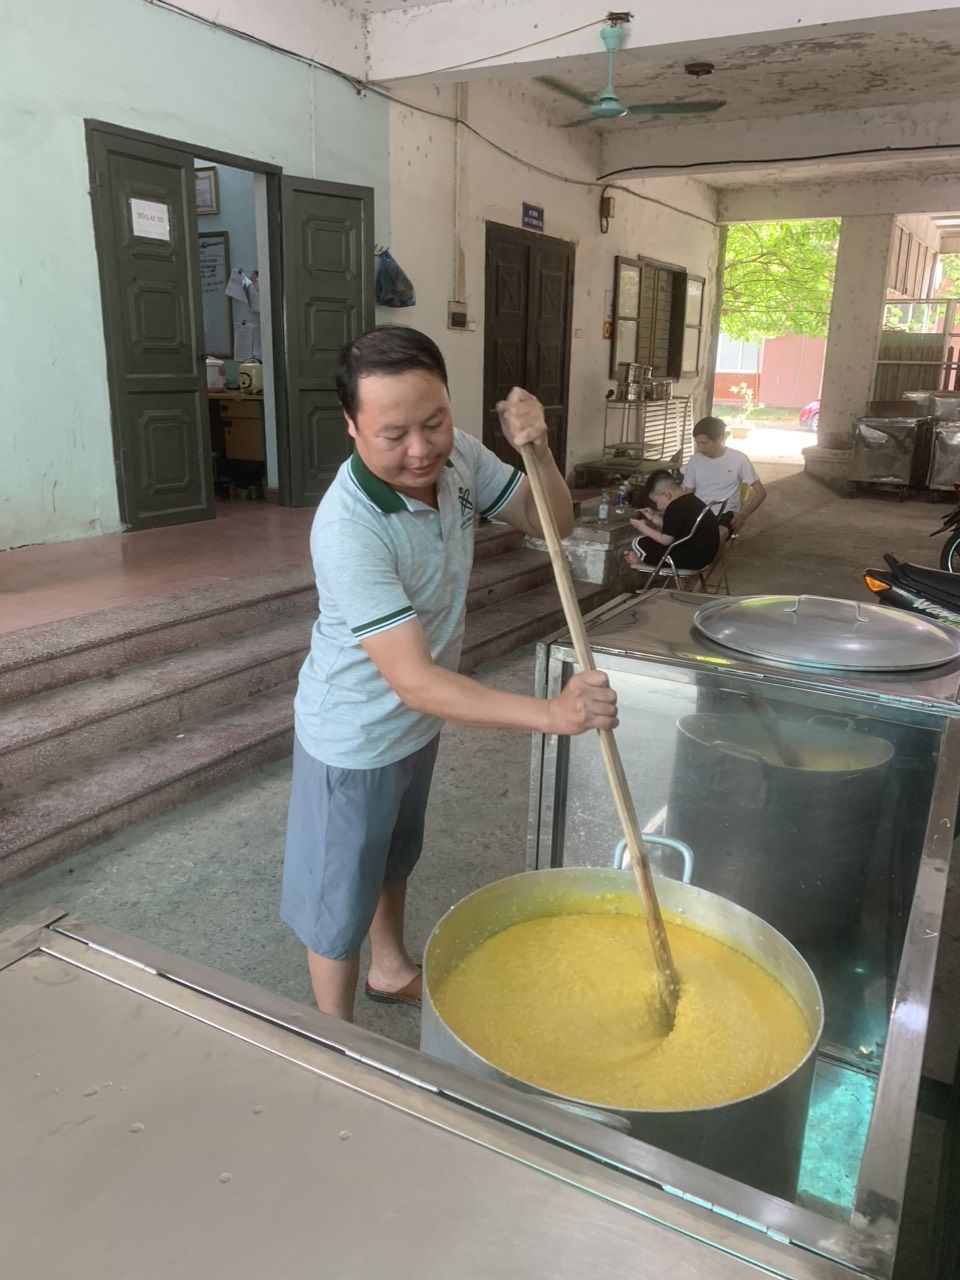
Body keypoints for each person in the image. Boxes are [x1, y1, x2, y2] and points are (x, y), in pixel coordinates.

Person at [281, 326, 618, 1022]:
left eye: (433, 422)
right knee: (335, 905)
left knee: (393, 856)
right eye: (394, 434)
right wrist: (550, 715)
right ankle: (334, 1045)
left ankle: (389, 967)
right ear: (351, 425)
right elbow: (414, 680)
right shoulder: (348, 529)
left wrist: (538, 452)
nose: (421, 450)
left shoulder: (458, 455)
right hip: (355, 735)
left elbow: (550, 522)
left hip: (417, 724)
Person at [682, 416, 766, 539]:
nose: (700, 448)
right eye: (697, 443)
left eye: (704, 443)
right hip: (700, 511)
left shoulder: (738, 459)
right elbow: (688, 494)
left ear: (720, 439)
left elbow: (761, 492)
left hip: (727, 512)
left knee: (719, 535)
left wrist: (743, 515)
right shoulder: (694, 461)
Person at [624, 470, 719, 574]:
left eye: (656, 501)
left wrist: (642, 527)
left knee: (639, 542)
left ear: (666, 494)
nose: (657, 506)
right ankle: (642, 559)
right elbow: (677, 529)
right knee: (648, 544)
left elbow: (666, 540)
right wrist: (655, 518)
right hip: (706, 557)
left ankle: (641, 561)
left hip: (692, 560)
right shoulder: (691, 500)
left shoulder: (674, 507)